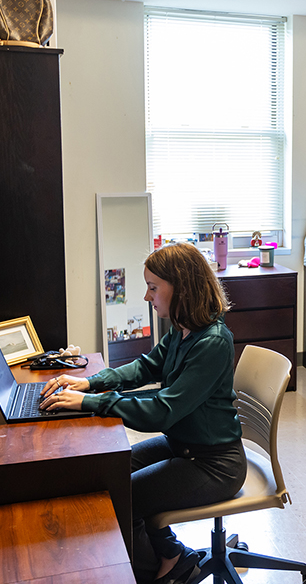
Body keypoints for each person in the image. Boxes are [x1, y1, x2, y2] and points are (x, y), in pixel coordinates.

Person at [39, 243, 245, 584]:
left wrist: (91, 403)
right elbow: (145, 367)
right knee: (111, 471)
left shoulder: (211, 342)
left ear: (182, 289)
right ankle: (172, 553)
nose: (147, 296)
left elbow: (162, 411)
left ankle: (154, 574)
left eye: (153, 287)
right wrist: (90, 383)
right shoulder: (183, 329)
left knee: (126, 496)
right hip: (184, 446)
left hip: (214, 464)